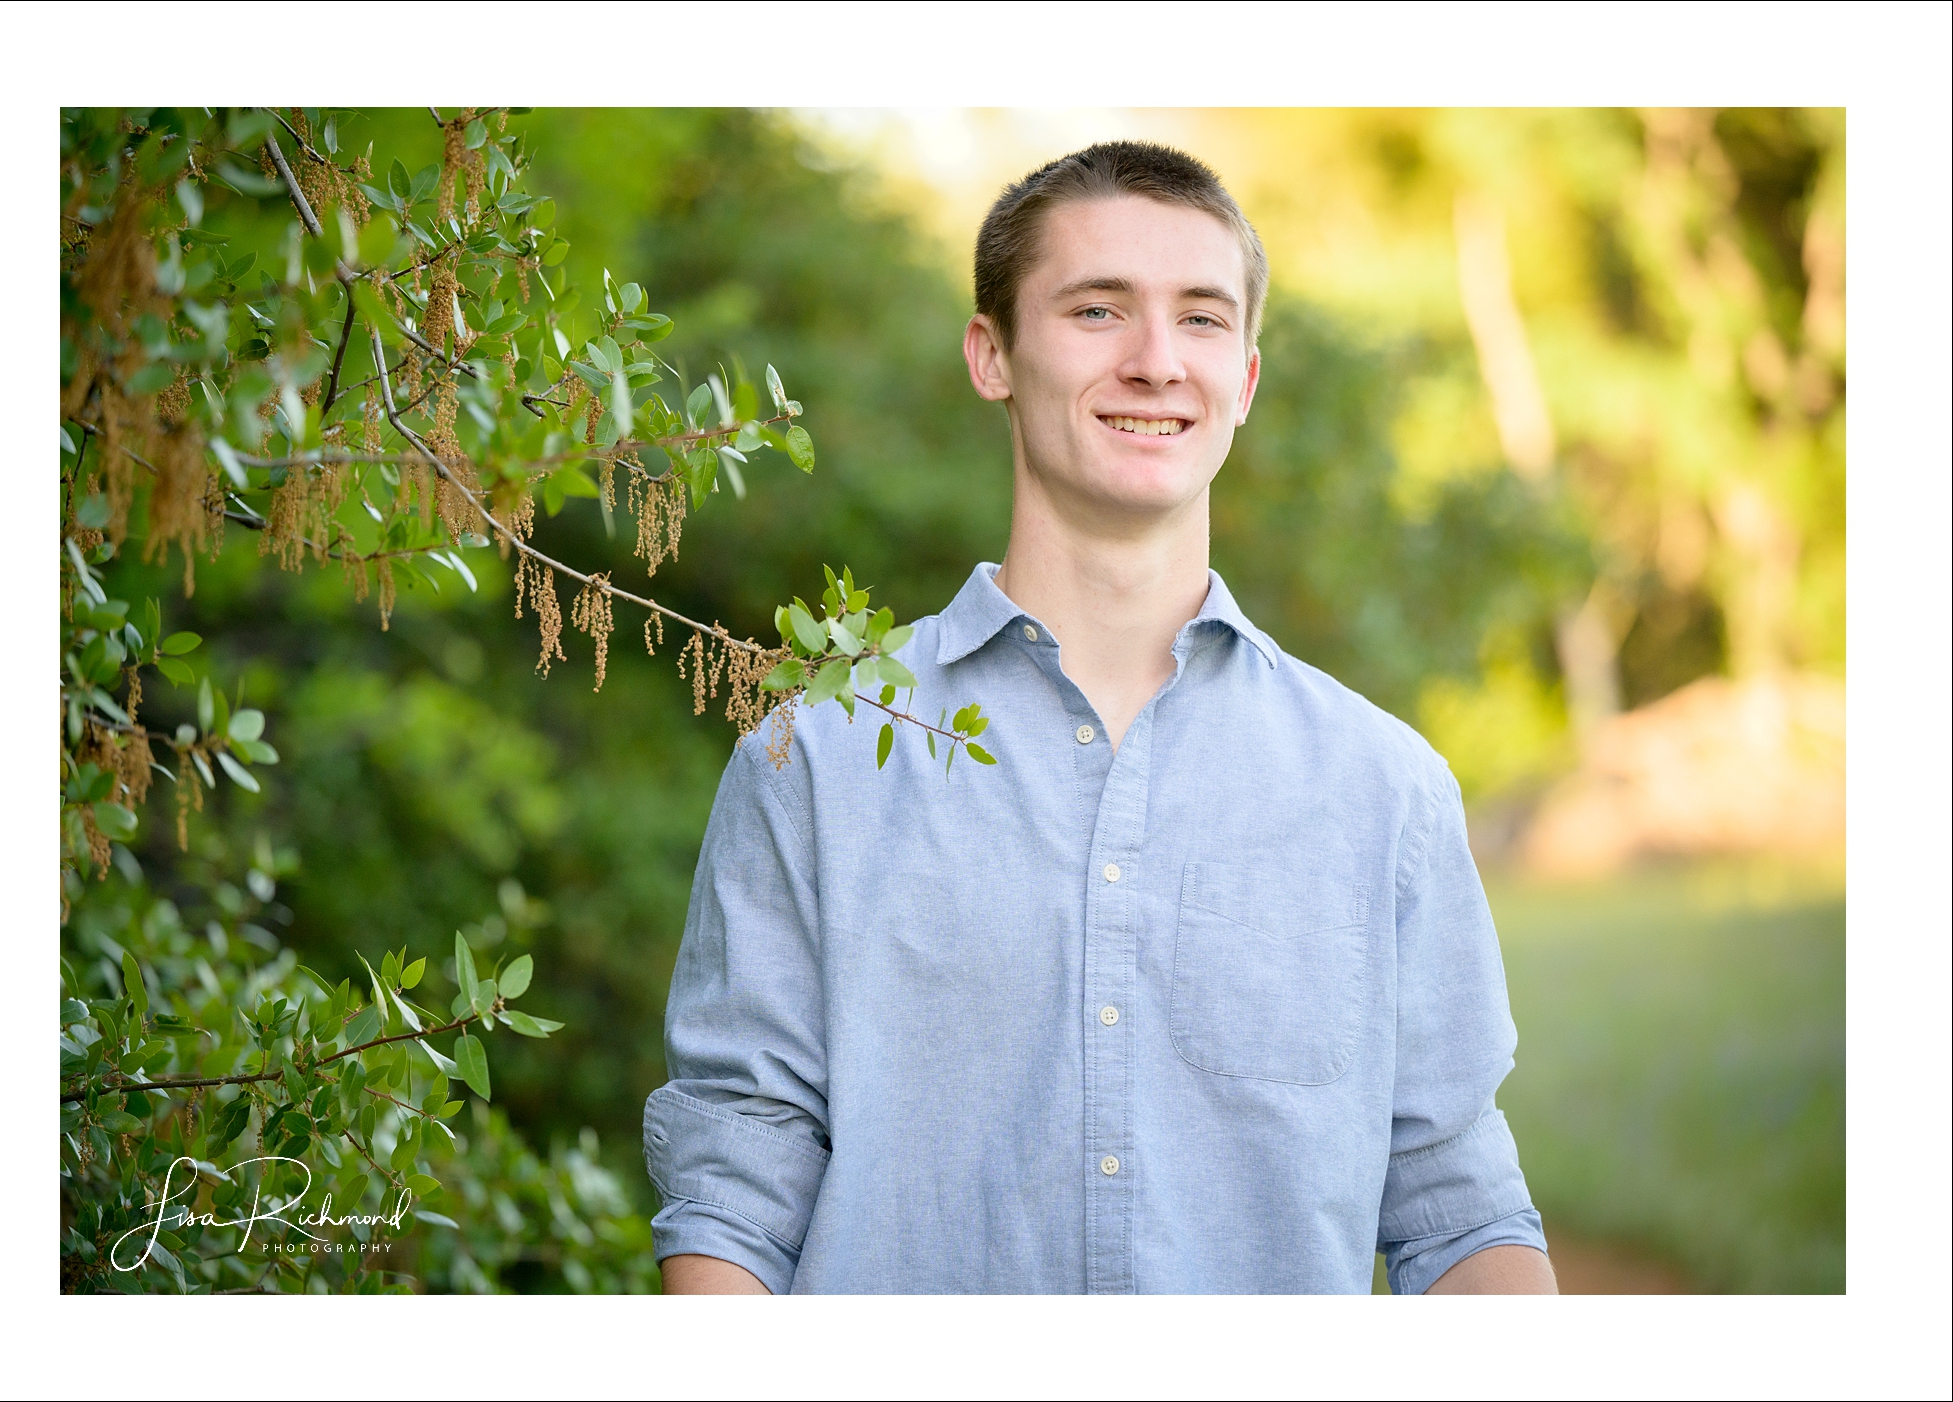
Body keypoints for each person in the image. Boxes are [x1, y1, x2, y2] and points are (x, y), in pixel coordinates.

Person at [644, 141, 1558, 1295]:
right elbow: (735, 1191)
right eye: (1096, 309)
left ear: (1246, 379)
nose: (1154, 362)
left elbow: (1454, 1203)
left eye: (1201, 319)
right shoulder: (814, 755)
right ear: (993, 356)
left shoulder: (1384, 787)